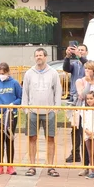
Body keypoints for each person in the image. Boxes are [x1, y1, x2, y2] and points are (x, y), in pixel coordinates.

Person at [23, 48, 62, 178]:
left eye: (41, 55)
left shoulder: (53, 73)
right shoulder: (29, 73)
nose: (38, 57)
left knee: (50, 138)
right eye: (37, 55)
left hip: (49, 111)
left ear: (45, 57)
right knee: (32, 138)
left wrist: (56, 109)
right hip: (33, 111)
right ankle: (32, 166)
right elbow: (25, 92)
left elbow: (58, 91)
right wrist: (26, 109)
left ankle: (50, 166)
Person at [0, 62, 22, 175]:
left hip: (11, 115)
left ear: (8, 72)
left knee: (9, 140)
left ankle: (10, 166)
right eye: (0, 73)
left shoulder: (14, 83)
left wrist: (13, 104)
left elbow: (20, 98)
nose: (1, 75)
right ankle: (0, 166)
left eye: (3, 73)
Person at [62, 43, 87, 163]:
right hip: (74, 99)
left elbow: (88, 66)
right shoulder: (75, 64)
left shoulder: (89, 64)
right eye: (78, 50)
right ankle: (75, 153)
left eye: (82, 50)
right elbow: (66, 68)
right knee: (75, 128)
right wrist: (67, 56)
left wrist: (79, 56)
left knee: (84, 129)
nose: (80, 51)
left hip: (86, 100)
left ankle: (86, 155)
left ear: (86, 52)